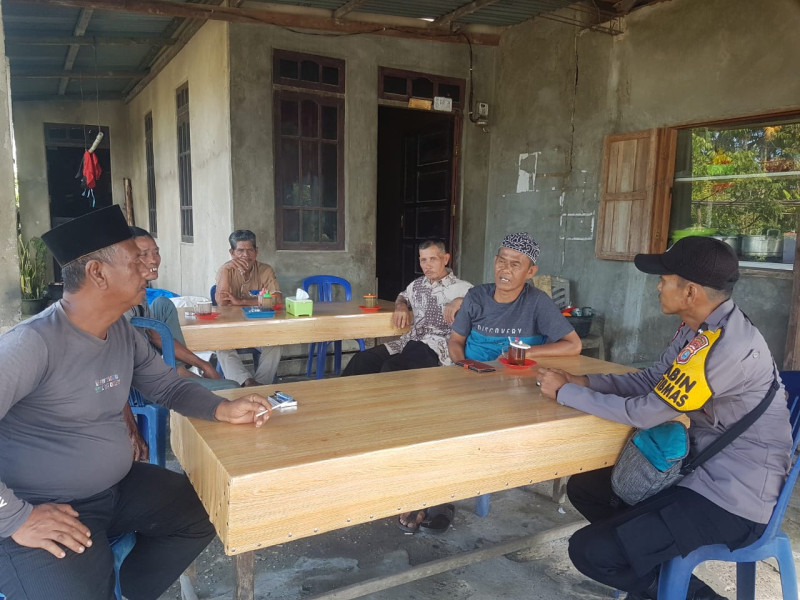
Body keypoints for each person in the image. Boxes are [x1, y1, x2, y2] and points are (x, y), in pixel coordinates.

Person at [0, 206, 272, 600]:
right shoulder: (32, 344)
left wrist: (221, 408)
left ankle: (129, 591)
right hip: (42, 508)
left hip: (115, 489)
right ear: (98, 273)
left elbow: (168, 387)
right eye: (135, 260)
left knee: (205, 510)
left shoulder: (121, 331)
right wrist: (15, 517)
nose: (149, 269)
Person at [537, 236, 792, 600]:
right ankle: (657, 575)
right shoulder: (698, 327)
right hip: (700, 470)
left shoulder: (725, 347)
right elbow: (651, 381)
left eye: (664, 280)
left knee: (591, 552)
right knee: (586, 488)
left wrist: (567, 393)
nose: (657, 287)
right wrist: (584, 382)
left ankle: (694, 595)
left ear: (690, 292)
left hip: (735, 498)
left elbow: (645, 412)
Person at [126, 226, 238, 392]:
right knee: (231, 388)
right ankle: (178, 374)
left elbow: (155, 335)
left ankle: (179, 368)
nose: (153, 259)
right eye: (144, 254)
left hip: (156, 366)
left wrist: (204, 364)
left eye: (156, 252)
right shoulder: (122, 301)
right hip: (144, 382)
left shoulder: (140, 292)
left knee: (162, 303)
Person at [341, 239, 472, 376]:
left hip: (437, 348)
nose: (427, 265)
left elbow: (481, 305)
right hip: (409, 341)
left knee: (392, 368)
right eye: (423, 260)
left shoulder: (463, 288)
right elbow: (402, 296)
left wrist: (460, 300)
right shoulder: (416, 285)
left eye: (433, 259)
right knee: (362, 360)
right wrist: (401, 305)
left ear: (445, 259)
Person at [448, 232, 582, 364]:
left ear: (530, 272)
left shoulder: (538, 302)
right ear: (495, 261)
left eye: (515, 265)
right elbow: (455, 341)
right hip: (472, 371)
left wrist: (524, 353)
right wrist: (465, 366)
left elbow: (574, 345)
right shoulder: (476, 296)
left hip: (517, 374)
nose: (505, 269)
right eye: (501, 261)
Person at [214, 230, 282, 387]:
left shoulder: (265, 270)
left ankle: (260, 385)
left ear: (256, 251)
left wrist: (240, 301)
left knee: (276, 345)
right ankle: (247, 383)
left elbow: (277, 299)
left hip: (260, 329)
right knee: (221, 347)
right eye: (240, 251)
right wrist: (226, 271)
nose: (245, 255)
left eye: (250, 250)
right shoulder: (225, 270)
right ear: (232, 253)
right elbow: (222, 302)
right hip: (231, 330)